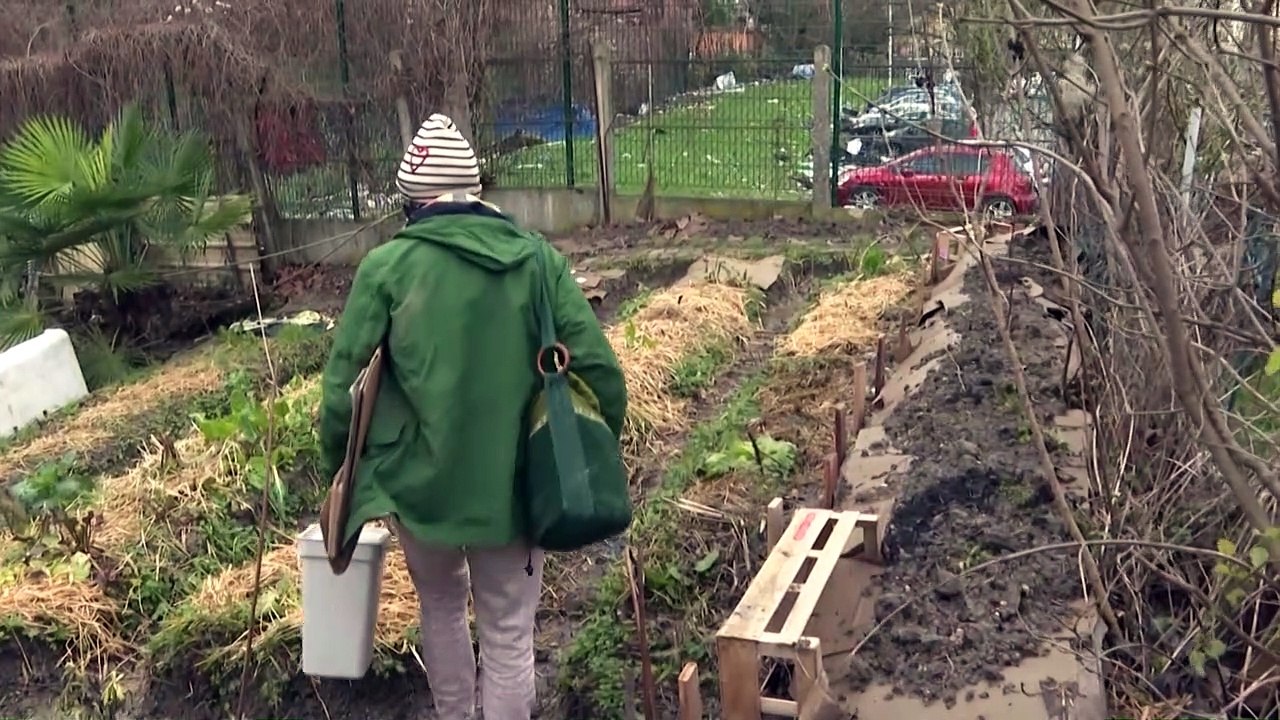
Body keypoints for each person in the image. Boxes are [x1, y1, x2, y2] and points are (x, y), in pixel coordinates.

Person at [317, 113, 627, 720]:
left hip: (420, 490)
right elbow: (601, 374)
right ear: (475, 190)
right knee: (509, 631)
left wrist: (337, 476)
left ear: (414, 202)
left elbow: (341, 393)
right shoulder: (537, 262)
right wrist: (587, 446)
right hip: (510, 493)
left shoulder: (386, 269)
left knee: (439, 607)